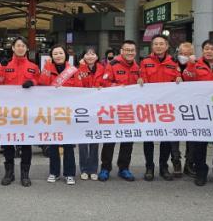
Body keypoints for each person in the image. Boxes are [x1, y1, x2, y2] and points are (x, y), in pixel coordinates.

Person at [183, 39, 213, 188]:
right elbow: (187, 78)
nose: (209, 51)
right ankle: (201, 174)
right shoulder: (195, 65)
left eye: (212, 49)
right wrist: (190, 64)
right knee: (200, 146)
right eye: (206, 49)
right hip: (201, 111)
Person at [0, 36, 40, 187]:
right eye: (18, 45)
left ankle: (25, 174)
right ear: (13, 48)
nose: (20, 48)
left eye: (23, 45)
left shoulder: (33, 66)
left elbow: (40, 81)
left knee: (26, 143)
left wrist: (32, 82)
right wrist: (1, 67)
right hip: (8, 111)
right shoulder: (5, 65)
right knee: (8, 143)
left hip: (26, 111)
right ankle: (9, 173)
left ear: (26, 48)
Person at [139, 34, 182, 182]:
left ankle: (164, 167)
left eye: (161, 44)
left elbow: (177, 79)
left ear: (167, 46)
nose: (158, 46)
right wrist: (140, 81)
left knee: (166, 139)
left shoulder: (173, 63)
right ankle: (149, 167)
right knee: (148, 139)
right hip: (149, 107)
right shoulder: (145, 62)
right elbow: (143, 79)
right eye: (156, 44)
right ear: (152, 46)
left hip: (167, 108)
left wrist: (179, 79)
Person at [98, 39, 142, 182]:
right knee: (110, 140)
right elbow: (104, 83)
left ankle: (124, 168)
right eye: (127, 50)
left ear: (135, 52)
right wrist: (117, 87)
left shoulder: (137, 67)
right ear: (122, 51)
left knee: (128, 140)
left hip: (130, 110)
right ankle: (105, 168)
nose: (130, 52)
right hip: (113, 108)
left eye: (132, 50)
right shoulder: (112, 65)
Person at [39, 45, 81, 185]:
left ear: (65, 55)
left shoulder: (73, 71)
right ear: (52, 56)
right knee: (53, 144)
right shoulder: (47, 69)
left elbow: (79, 89)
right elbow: (42, 84)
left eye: (60, 53)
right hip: (52, 112)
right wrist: (47, 66)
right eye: (55, 53)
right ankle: (54, 172)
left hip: (68, 112)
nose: (58, 55)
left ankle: (69, 174)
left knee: (68, 144)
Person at [77, 47, 104, 180]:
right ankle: (83, 169)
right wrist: (82, 67)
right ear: (83, 57)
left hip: (97, 109)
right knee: (82, 141)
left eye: (93, 53)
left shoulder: (103, 69)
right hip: (82, 109)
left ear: (97, 57)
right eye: (87, 54)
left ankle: (93, 169)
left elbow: (107, 83)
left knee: (94, 140)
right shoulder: (78, 70)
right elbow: (77, 85)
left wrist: (102, 87)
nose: (90, 56)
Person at [175, 42, 197, 177]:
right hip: (173, 106)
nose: (184, 56)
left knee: (191, 136)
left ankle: (189, 163)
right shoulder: (172, 64)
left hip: (191, 106)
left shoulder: (196, 65)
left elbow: (193, 77)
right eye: (182, 53)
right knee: (174, 135)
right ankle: (176, 161)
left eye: (187, 54)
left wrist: (191, 64)